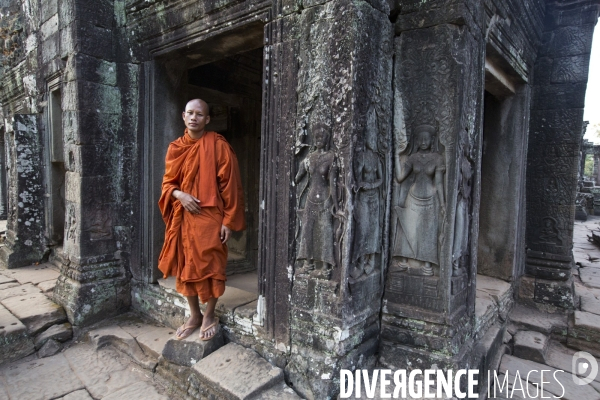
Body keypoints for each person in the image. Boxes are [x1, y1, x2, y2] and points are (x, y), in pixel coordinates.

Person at [158, 99, 246, 340]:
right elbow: (168, 184)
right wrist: (179, 194)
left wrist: (228, 220)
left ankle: (209, 314)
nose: (194, 117)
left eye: (199, 114)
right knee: (186, 266)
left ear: (207, 119)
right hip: (185, 217)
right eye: (190, 113)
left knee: (212, 266)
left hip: (210, 217)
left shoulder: (218, 145)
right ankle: (194, 314)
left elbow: (231, 186)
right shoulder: (175, 148)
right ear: (183, 116)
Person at [392, 124, 445, 276]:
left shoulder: (437, 158)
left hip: (430, 199)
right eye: (420, 139)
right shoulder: (412, 158)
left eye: (426, 139)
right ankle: (403, 260)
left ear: (431, 140)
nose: (423, 141)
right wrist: (396, 156)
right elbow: (400, 177)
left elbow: (439, 182)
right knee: (407, 227)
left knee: (428, 231)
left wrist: (442, 203)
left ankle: (427, 263)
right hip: (413, 197)